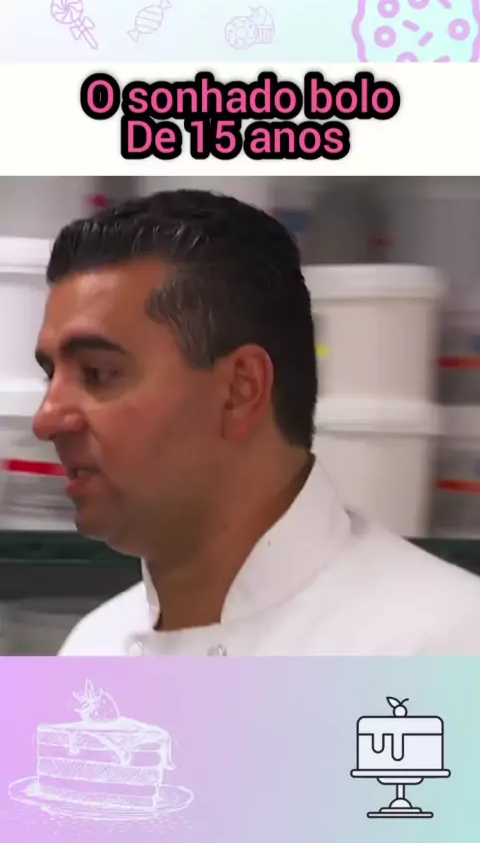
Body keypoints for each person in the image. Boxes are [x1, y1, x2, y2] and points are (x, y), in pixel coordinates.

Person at [32, 188, 480, 656]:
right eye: (49, 375)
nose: (46, 419)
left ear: (240, 390)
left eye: (98, 373)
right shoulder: (92, 646)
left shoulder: (449, 645)